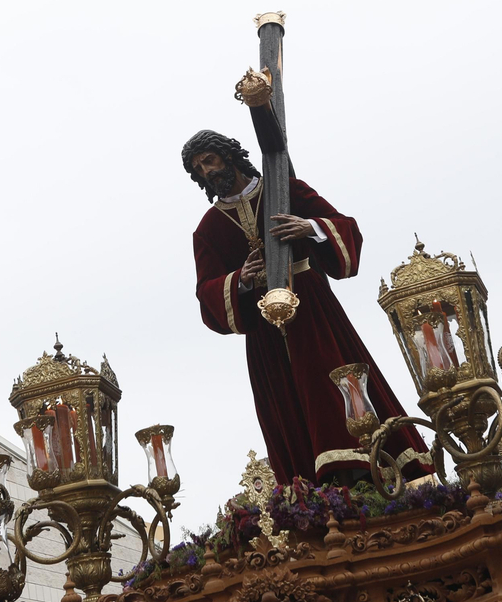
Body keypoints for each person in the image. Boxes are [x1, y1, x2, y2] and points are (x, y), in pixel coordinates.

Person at [183, 130, 430, 485]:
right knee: (289, 406)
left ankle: (371, 470)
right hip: (266, 334)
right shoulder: (208, 229)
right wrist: (240, 279)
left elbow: (347, 229)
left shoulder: (286, 190)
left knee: (336, 386)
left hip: (312, 311)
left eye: (209, 160)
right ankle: (313, 495)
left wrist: (310, 227)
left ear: (228, 155)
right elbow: (206, 291)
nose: (206, 171)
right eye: (198, 169)